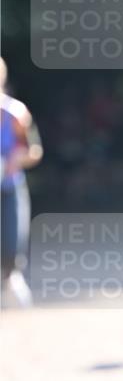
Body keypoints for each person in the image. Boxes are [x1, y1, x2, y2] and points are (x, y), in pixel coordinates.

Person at [1, 58, 43, 306]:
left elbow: (34, 150)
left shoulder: (14, 113)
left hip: (8, 187)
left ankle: (10, 278)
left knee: (10, 244)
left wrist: (17, 159)